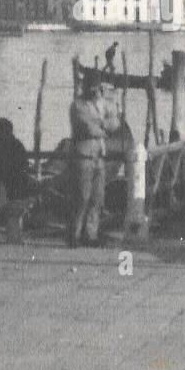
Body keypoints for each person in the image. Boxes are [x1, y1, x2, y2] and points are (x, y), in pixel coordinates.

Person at [67, 79, 119, 247]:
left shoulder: (103, 104)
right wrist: (104, 126)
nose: (94, 89)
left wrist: (102, 124)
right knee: (82, 196)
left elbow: (115, 124)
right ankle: (74, 234)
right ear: (84, 87)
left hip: (99, 155)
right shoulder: (77, 105)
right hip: (84, 155)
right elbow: (87, 128)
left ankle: (91, 234)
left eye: (96, 86)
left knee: (98, 197)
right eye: (91, 86)